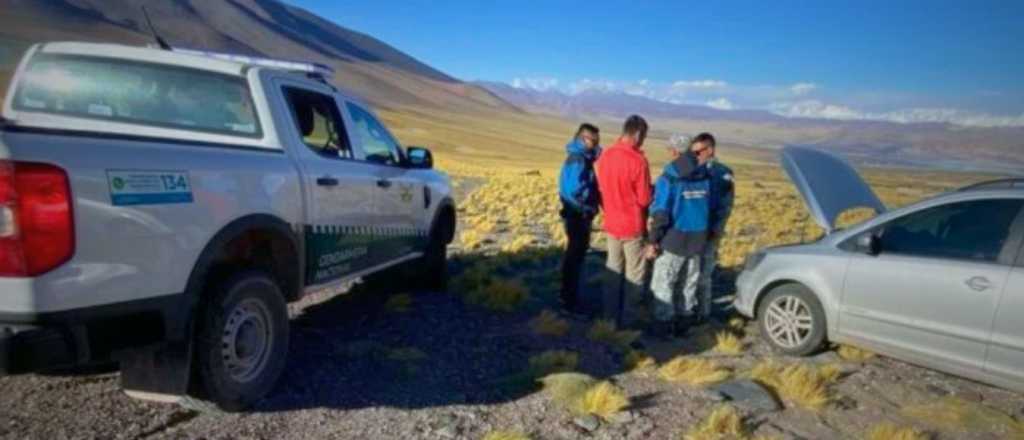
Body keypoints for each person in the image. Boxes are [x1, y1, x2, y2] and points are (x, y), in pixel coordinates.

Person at [647, 143, 712, 338]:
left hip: (673, 240)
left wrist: (653, 240)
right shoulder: (706, 177)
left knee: (663, 284)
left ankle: (664, 329)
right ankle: (685, 326)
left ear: (675, 152)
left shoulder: (669, 178)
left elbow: (661, 213)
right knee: (688, 285)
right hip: (698, 240)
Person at [595, 115, 653, 328]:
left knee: (613, 271)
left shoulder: (606, 155)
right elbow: (644, 199)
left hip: (611, 224)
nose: (644, 140)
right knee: (635, 276)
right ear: (637, 134)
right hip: (632, 227)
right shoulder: (638, 161)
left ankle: (608, 319)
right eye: (644, 136)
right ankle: (629, 323)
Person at [558, 123, 602, 313]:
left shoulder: (581, 158)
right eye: (594, 140)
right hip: (578, 214)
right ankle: (569, 301)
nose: (597, 144)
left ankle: (569, 297)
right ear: (583, 139)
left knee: (574, 256)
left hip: (576, 212)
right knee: (575, 257)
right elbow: (575, 189)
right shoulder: (578, 160)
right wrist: (589, 202)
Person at [691, 132, 734, 322]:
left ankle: (702, 314)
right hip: (691, 232)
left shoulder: (723, 173)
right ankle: (688, 310)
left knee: (704, 275)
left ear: (710, 150)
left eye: (699, 152)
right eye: (693, 152)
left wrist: (717, 230)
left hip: (709, 232)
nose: (696, 156)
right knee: (690, 273)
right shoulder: (692, 170)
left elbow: (726, 206)